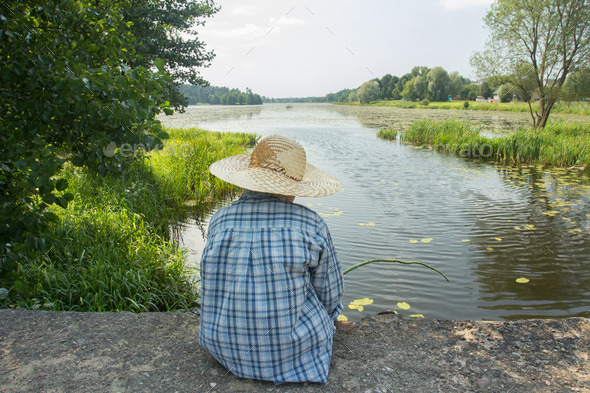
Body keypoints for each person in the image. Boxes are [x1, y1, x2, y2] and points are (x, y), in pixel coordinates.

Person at [199, 134, 345, 384]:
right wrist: (329, 320)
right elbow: (330, 296)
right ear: (292, 189)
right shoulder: (311, 225)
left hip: (222, 348)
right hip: (292, 354)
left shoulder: (219, 220)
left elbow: (211, 282)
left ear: (248, 179)